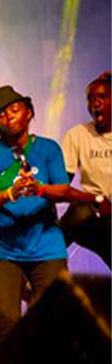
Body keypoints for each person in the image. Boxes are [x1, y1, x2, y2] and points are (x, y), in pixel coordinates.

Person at [0, 86, 101, 348]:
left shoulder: (48, 149)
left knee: (53, 321)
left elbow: (63, 190)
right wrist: (9, 193)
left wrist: (40, 189)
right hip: (4, 250)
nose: (9, 116)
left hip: (46, 247)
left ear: (28, 112)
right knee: (5, 325)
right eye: (1, 114)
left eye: (14, 110)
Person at [60, 71, 111, 267]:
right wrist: (96, 199)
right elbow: (61, 186)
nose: (95, 103)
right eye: (91, 98)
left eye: (102, 97)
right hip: (95, 217)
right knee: (78, 211)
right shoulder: (78, 135)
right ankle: (43, 262)